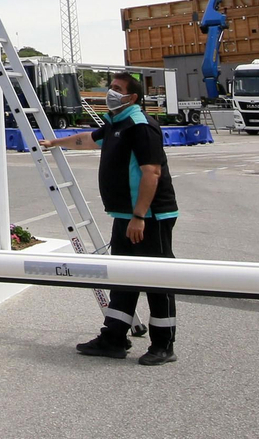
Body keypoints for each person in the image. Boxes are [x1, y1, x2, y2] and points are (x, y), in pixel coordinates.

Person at [40, 72, 179, 365]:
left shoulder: (141, 126)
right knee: (122, 275)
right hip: (127, 215)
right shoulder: (117, 123)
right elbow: (89, 140)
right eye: (111, 87)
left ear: (132, 98)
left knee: (157, 277)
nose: (110, 92)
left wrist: (140, 216)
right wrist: (55, 143)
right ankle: (114, 337)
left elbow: (151, 172)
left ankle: (163, 345)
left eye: (117, 89)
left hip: (150, 216)